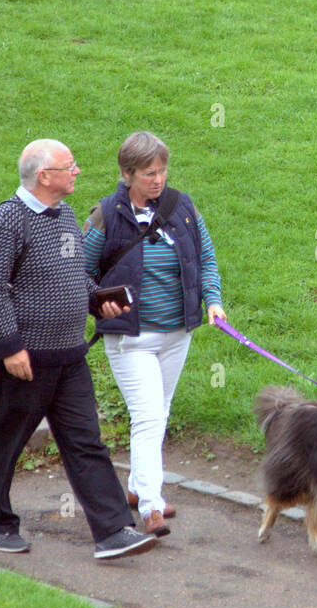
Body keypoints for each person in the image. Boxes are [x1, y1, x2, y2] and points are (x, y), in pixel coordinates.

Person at [0, 139, 158, 560]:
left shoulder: (63, 216)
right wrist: (10, 346)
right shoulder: (7, 221)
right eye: (69, 166)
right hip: (26, 360)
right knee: (8, 440)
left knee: (86, 442)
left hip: (70, 356)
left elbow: (76, 276)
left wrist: (97, 299)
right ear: (44, 176)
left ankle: (113, 531)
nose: (77, 172)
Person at [82, 132, 225, 538]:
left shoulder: (182, 207)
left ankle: (135, 488)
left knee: (158, 412)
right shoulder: (106, 215)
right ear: (127, 174)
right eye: (148, 174)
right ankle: (150, 505)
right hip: (131, 338)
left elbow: (206, 257)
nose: (158, 180)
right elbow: (78, 271)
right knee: (147, 416)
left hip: (177, 333)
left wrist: (212, 300)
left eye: (162, 171)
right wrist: (98, 301)